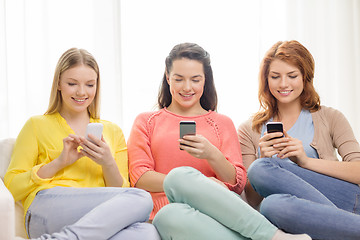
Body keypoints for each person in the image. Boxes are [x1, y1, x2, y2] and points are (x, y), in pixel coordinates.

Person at [128, 42, 311, 240]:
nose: (187, 87)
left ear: (205, 80)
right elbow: (139, 178)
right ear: (167, 77)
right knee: (168, 212)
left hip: (218, 216)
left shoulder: (221, 123)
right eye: (179, 79)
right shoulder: (146, 121)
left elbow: (236, 184)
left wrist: (212, 154)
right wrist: (196, 182)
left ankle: (272, 236)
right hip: (169, 217)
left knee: (180, 179)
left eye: (195, 80)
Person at [4, 48, 160, 240]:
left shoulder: (112, 131)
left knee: (146, 232)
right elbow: (12, 186)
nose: (81, 92)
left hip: (94, 218)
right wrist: (58, 162)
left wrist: (107, 162)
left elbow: (121, 196)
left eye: (89, 85)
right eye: (72, 83)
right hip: (46, 210)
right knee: (141, 198)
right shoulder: (36, 125)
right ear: (59, 84)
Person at [238, 40, 360, 240]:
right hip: (297, 215)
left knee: (261, 169)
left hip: (347, 202)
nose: (284, 84)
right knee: (270, 204)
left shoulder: (330, 117)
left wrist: (305, 161)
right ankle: (343, 227)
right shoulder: (248, 130)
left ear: (305, 77)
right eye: (275, 76)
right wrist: (263, 157)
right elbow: (250, 201)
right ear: (266, 80)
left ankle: (342, 224)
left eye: (292, 76)